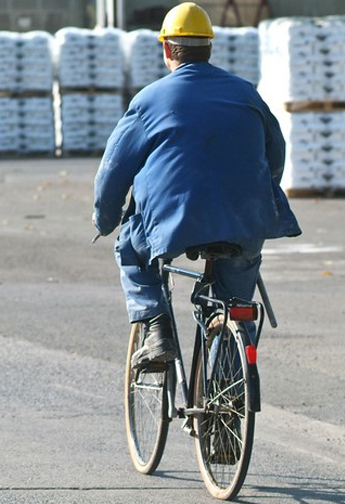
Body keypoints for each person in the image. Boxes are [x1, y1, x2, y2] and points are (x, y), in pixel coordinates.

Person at [92, 2, 300, 369]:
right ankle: (230, 381)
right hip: (246, 219)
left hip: (175, 221)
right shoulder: (246, 93)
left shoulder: (149, 100)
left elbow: (113, 171)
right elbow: (275, 152)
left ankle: (156, 329)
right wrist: (260, 197)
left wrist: (105, 220)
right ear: (209, 47)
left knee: (132, 249)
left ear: (167, 49)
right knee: (236, 294)